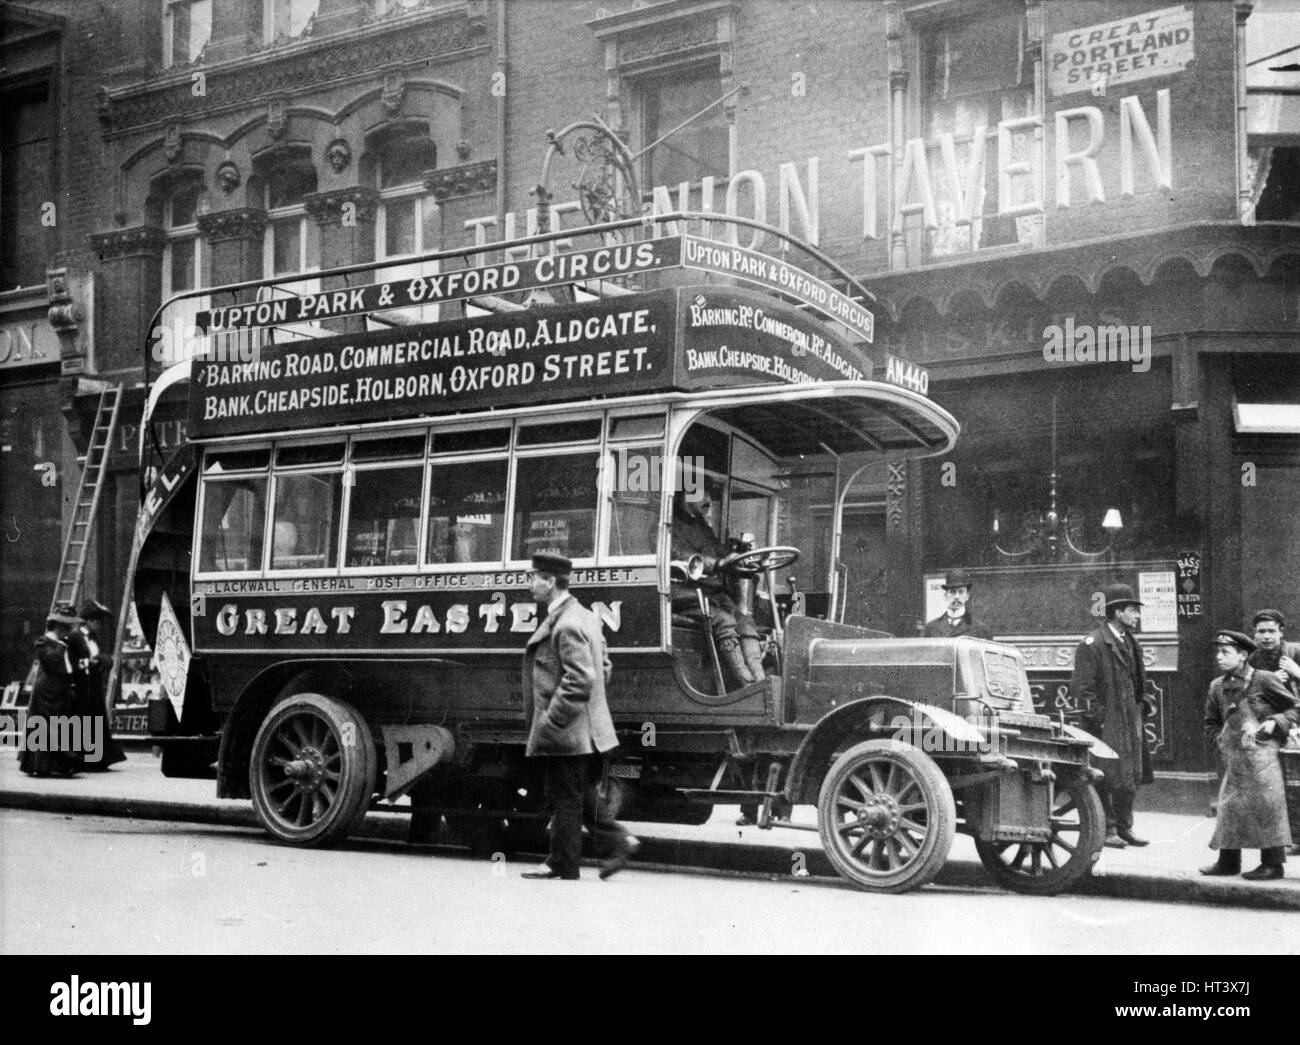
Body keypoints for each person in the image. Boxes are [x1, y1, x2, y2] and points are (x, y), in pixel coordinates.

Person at [520, 553, 639, 881]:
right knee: (572, 795)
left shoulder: (568, 623)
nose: (530, 583)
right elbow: (604, 668)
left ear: (550, 581)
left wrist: (554, 719)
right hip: (585, 727)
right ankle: (603, 847)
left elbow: (581, 678)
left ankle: (578, 858)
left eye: (534, 577)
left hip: (567, 728)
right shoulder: (584, 616)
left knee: (565, 795)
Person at [1199, 630, 1299, 881]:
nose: (1219, 657)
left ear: (1243, 655)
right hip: (1235, 757)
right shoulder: (1216, 686)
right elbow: (1210, 722)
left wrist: (1276, 722)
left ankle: (1273, 864)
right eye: (1218, 652)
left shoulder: (1263, 679)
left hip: (1264, 755)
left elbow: (1295, 707)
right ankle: (1228, 861)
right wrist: (1220, 740)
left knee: (1268, 807)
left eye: (1225, 652)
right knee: (1230, 807)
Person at [1069, 583, 1150, 849]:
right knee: (1106, 775)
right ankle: (1108, 828)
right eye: (1132, 610)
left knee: (1129, 776)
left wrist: (1142, 705)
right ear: (1117, 612)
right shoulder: (1093, 644)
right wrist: (1099, 718)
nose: (1137, 615)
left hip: (1130, 720)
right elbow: (1082, 689)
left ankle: (1125, 827)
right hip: (1106, 725)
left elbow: (1139, 682)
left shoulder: (1131, 642)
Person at [671, 489, 765, 687]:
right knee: (724, 620)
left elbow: (719, 550)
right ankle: (746, 684)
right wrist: (716, 563)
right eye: (702, 494)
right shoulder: (669, 525)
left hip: (709, 594)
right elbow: (681, 555)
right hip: (683, 595)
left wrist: (737, 557)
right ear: (686, 495)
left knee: (744, 619)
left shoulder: (701, 525)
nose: (708, 500)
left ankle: (760, 680)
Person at [18, 604, 83, 777]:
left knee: (58, 726)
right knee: (46, 727)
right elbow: (52, 660)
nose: (68, 631)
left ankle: (58, 764)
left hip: (60, 689)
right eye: (65, 627)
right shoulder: (45, 642)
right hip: (47, 691)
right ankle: (41, 765)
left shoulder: (62, 642)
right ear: (58, 627)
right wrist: (61, 645)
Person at [70, 598, 127, 771]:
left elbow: (99, 657)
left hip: (93, 686)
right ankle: (85, 759)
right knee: (85, 722)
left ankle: (97, 759)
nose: (99, 625)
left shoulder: (93, 639)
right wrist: (92, 662)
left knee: (95, 721)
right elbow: (74, 662)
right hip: (81, 686)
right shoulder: (75, 638)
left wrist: (103, 661)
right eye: (96, 621)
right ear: (88, 621)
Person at [922, 569, 993, 639]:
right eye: (953, 592)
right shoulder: (931, 628)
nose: (957, 596)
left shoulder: (981, 630)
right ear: (946, 595)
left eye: (961, 592)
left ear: (967, 596)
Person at [1248, 609, 1300, 700]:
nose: (1266, 637)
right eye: (1261, 631)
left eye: (1272, 631)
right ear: (1255, 633)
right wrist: (1271, 681)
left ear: (1281, 632)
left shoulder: (1296, 651)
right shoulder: (1251, 659)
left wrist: (1297, 672)